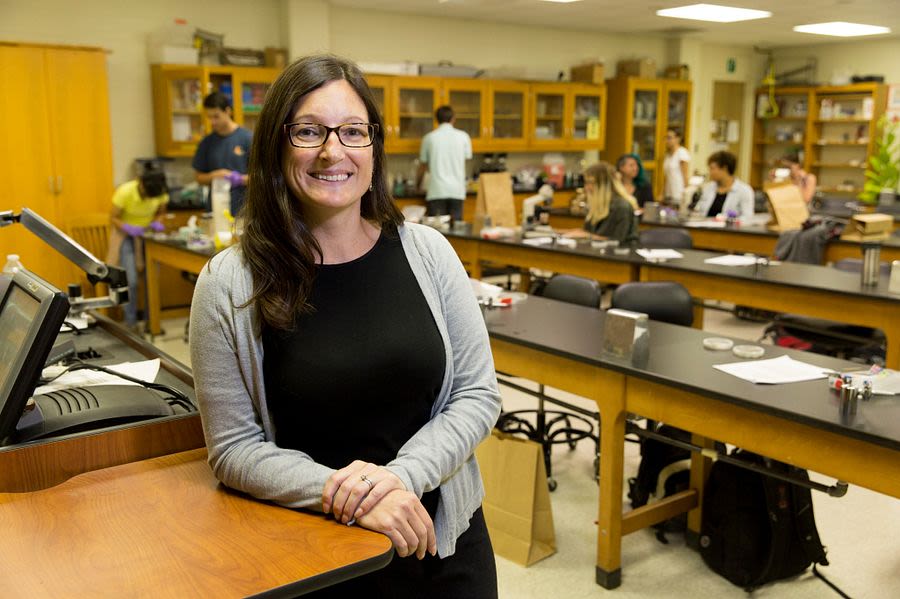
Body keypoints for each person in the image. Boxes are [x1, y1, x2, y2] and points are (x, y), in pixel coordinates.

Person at [189, 54, 501, 598]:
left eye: (353, 131)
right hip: (318, 557)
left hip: (443, 545)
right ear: (277, 145)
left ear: (375, 146)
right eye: (308, 131)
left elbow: (477, 394)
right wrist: (349, 493)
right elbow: (233, 448)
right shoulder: (229, 283)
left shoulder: (428, 252)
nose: (333, 151)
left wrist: (402, 477)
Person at [107, 170, 168, 329]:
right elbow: (113, 217)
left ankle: (151, 321)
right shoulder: (125, 192)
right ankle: (131, 323)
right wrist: (128, 227)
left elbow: (161, 211)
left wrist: (157, 222)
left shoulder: (160, 191)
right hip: (126, 236)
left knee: (151, 278)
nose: (148, 199)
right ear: (140, 183)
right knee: (131, 281)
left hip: (147, 235)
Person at [192, 91, 252, 216]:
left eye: (216, 116)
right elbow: (199, 177)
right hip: (215, 211)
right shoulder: (206, 143)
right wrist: (215, 175)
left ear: (227, 111)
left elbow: (264, 178)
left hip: (243, 212)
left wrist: (239, 179)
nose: (212, 122)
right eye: (209, 117)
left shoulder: (248, 139)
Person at [415, 105, 472, 222]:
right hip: (457, 191)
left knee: (437, 232)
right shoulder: (464, 137)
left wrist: (418, 185)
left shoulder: (429, 138)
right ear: (453, 118)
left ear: (436, 119)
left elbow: (423, 166)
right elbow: (466, 158)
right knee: (457, 233)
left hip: (436, 190)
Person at [581, 161, 638, 244]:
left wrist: (586, 235)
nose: (586, 188)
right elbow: (587, 233)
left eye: (591, 183)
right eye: (586, 183)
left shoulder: (622, 207)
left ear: (605, 185)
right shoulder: (597, 206)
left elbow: (617, 241)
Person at [693, 151, 755, 219]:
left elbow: (748, 217)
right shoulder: (708, 188)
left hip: (729, 228)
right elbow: (697, 211)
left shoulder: (744, 190)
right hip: (704, 227)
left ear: (725, 168)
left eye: (712, 168)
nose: (710, 172)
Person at [662, 128, 691, 206]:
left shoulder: (682, 153)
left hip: (678, 193)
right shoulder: (668, 155)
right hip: (669, 193)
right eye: (666, 138)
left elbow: (685, 175)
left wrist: (686, 194)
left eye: (669, 138)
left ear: (678, 139)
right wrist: (663, 193)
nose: (667, 140)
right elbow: (666, 176)